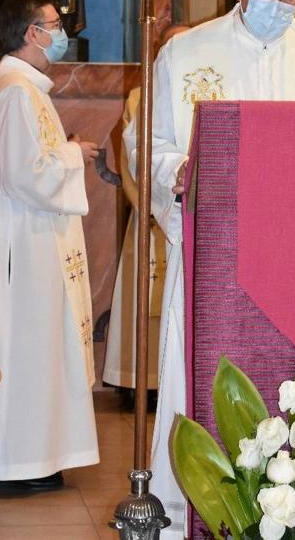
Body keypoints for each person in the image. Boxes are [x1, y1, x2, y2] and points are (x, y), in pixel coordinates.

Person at [125, 0, 295, 537]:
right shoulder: (186, 52)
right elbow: (143, 139)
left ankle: (294, 509)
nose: (279, 6)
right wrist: (171, 169)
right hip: (214, 250)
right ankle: (186, 513)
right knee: (199, 377)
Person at [0, 0, 100, 493]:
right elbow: (23, 174)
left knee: (45, 353)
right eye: (54, 24)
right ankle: (17, 465)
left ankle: (40, 459)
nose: (61, 33)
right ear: (32, 32)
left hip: (36, 244)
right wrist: (73, 154)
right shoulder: (14, 92)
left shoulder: (23, 90)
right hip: (24, 251)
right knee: (29, 351)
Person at [103, 26, 189, 402]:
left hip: (195, 215)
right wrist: (152, 208)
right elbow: (132, 156)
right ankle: (139, 382)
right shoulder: (142, 95)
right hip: (151, 215)